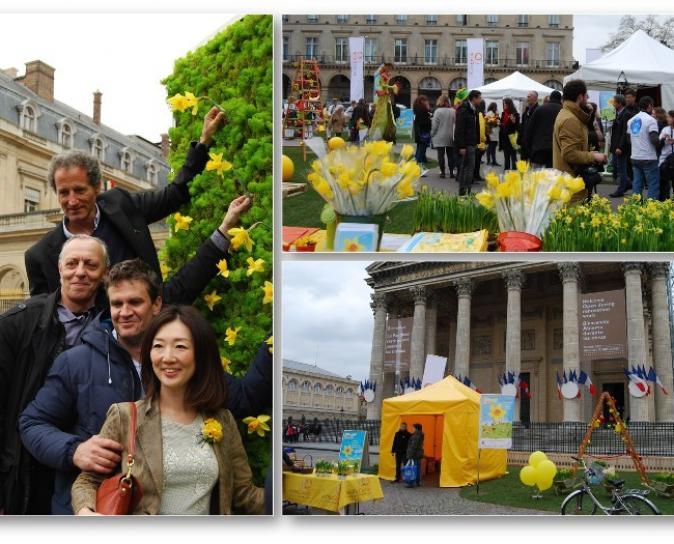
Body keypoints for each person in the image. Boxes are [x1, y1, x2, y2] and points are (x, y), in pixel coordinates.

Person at [0, 196, 253, 514]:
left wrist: (276, 343)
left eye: (135, 302)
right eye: (118, 304)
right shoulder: (73, 355)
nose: (125, 311)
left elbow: (188, 282)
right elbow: (31, 423)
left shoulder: (174, 360)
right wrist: (74, 450)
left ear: (156, 305)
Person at [71, 305, 264, 515]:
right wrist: (86, 513)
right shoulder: (125, 416)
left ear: (201, 355)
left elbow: (243, 494)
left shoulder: (223, 420)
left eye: (180, 346)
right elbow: (87, 481)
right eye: (159, 346)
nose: (168, 357)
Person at [25, 108, 226, 297]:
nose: (72, 200)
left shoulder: (122, 205)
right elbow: (43, 320)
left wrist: (203, 143)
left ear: (97, 188)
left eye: (79, 190)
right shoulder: (39, 257)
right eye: (64, 193)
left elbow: (173, 196)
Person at [552, 79, 606, 202]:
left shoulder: (567, 114)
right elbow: (569, 154)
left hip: (569, 182)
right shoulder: (570, 119)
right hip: (571, 186)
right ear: (580, 97)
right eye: (586, 96)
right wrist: (593, 156)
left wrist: (587, 113)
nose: (587, 99)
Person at [628, 96, 661, 201]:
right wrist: (663, 142)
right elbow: (654, 140)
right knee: (652, 185)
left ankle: (636, 208)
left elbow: (628, 139)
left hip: (635, 157)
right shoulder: (651, 120)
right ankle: (651, 211)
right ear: (649, 106)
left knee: (637, 184)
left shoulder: (631, 120)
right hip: (648, 157)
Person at [525, 90, 562, 168]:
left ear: (550, 98)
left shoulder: (540, 109)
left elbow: (529, 130)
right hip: (556, 150)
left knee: (537, 176)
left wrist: (529, 149)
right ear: (560, 99)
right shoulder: (563, 110)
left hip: (539, 149)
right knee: (553, 176)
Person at [454, 90, 482, 195]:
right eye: (479, 98)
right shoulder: (464, 109)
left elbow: (475, 127)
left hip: (472, 143)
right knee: (467, 168)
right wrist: (461, 146)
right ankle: (463, 192)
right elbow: (459, 129)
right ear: (474, 98)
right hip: (466, 144)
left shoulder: (473, 109)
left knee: (469, 168)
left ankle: (467, 191)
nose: (480, 100)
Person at [609, 94, 632, 197]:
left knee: (621, 168)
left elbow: (624, 132)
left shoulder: (626, 114)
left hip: (621, 146)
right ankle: (627, 183)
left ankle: (620, 189)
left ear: (619, 103)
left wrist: (620, 147)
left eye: (614, 102)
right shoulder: (618, 113)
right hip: (616, 145)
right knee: (616, 165)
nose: (613, 104)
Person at [368, 63, 397, 142]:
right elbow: (381, 87)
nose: (390, 70)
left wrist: (389, 89)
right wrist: (389, 89)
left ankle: (386, 135)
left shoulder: (386, 75)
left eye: (391, 69)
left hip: (386, 98)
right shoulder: (381, 76)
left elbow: (384, 85)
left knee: (387, 116)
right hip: (383, 98)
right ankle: (377, 136)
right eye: (389, 68)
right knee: (381, 117)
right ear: (385, 68)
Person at [430, 95, 455, 179]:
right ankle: (451, 172)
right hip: (450, 135)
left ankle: (443, 172)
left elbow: (435, 126)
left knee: (440, 155)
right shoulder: (453, 111)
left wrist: (432, 134)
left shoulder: (438, 111)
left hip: (439, 136)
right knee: (450, 155)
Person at [499, 98, 520, 171]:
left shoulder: (515, 114)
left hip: (511, 137)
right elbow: (502, 124)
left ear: (509, 104)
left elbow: (517, 127)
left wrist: (514, 122)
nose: (504, 105)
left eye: (505, 103)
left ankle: (515, 169)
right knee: (506, 155)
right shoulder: (503, 113)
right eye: (503, 103)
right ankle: (506, 169)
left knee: (513, 154)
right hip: (504, 137)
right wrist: (500, 124)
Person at [412, 95, 432, 172]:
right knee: (421, 151)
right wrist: (429, 119)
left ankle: (416, 167)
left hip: (419, 133)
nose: (427, 102)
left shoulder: (418, 110)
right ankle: (418, 168)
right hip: (423, 133)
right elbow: (424, 123)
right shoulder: (423, 110)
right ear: (422, 101)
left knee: (419, 150)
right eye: (426, 100)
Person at [518, 91, 539, 161]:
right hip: (524, 143)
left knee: (532, 167)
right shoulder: (527, 110)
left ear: (534, 98)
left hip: (532, 144)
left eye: (529, 96)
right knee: (523, 165)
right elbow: (523, 126)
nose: (527, 98)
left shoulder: (538, 110)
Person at [658, 110, 674, 200]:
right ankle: (664, 201)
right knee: (663, 182)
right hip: (664, 160)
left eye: (669, 117)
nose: (667, 118)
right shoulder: (665, 129)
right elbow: (659, 144)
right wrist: (663, 139)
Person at [405, 423, 424, 488]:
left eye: (413, 428)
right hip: (418, 454)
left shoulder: (416, 436)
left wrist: (410, 455)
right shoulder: (420, 435)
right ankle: (417, 482)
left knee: (413, 469)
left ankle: (411, 483)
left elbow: (413, 446)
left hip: (414, 455)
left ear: (416, 428)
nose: (412, 429)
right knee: (417, 468)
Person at [474, 99, 487, 182]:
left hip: (475, 140)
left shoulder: (476, 112)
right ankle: (476, 175)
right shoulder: (480, 114)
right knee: (477, 160)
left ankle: (476, 175)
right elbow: (481, 129)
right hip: (479, 141)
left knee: (476, 160)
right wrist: (483, 140)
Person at [485, 102, 500, 167]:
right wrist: (496, 120)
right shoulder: (489, 113)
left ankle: (494, 161)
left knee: (493, 148)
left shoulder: (494, 113)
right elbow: (488, 122)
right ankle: (489, 161)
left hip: (495, 133)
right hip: (491, 133)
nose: (496, 108)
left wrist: (497, 118)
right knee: (490, 147)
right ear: (493, 107)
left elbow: (497, 121)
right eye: (495, 107)